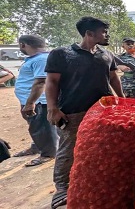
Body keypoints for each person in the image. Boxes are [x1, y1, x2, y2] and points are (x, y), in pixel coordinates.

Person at [45, 16, 124, 209]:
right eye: (103, 32)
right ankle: (62, 188)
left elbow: (113, 78)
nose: (107, 35)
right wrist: (52, 108)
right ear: (89, 33)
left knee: (102, 145)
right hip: (73, 112)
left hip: (104, 111)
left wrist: (122, 100)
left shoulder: (106, 54)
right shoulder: (61, 54)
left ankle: (94, 177)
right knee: (68, 149)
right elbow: (52, 82)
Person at [13, 35, 58, 167]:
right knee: (35, 126)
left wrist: (30, 102)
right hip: (31, 100)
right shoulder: (36, 59)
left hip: (39, 101)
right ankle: (37, 146)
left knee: (42, 127)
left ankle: (48, 154)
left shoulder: (41, 59)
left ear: (23, 45)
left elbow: (40, 82)